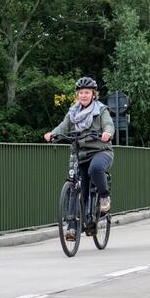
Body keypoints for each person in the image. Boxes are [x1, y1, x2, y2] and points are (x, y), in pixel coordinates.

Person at [45, 76, 114, 241]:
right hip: (80, 154)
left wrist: (107, 133)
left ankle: (104, 196)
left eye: (87, 92)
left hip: (101, 151)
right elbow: (64, 126)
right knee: (77, 189)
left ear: (93, 94)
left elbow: (109, 124)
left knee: (95, 169)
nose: (83, 95)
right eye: (81, 92)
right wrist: (53, 133)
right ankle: (72, 229)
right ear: (78, 95)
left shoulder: (101, 110)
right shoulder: (73, 112)